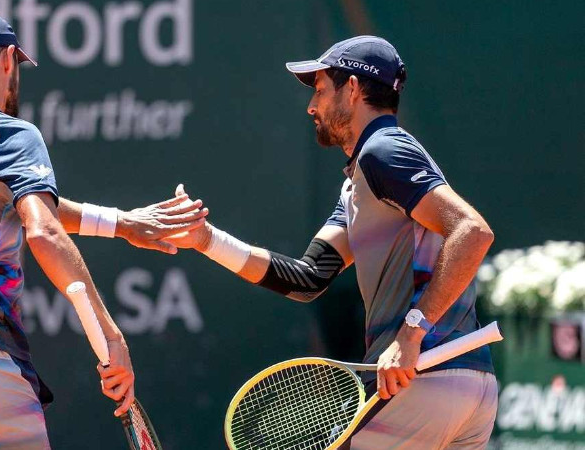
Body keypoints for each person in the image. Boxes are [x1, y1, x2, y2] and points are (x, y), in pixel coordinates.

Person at [0, 11, 206, 449]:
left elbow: (14, 205)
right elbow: (40, 228)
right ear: (9, 61)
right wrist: (110, 335)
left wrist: (122, 223)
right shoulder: (12, 135)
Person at [167, 36, 498, 449]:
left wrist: (412, 332)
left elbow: (472, 232)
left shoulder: (383, 151)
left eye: (321, 90)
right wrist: (205, 239)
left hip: (423, 377)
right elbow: (308, 279)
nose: (312, 106)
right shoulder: (363, 180)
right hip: (472, 387)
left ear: (354, 88)